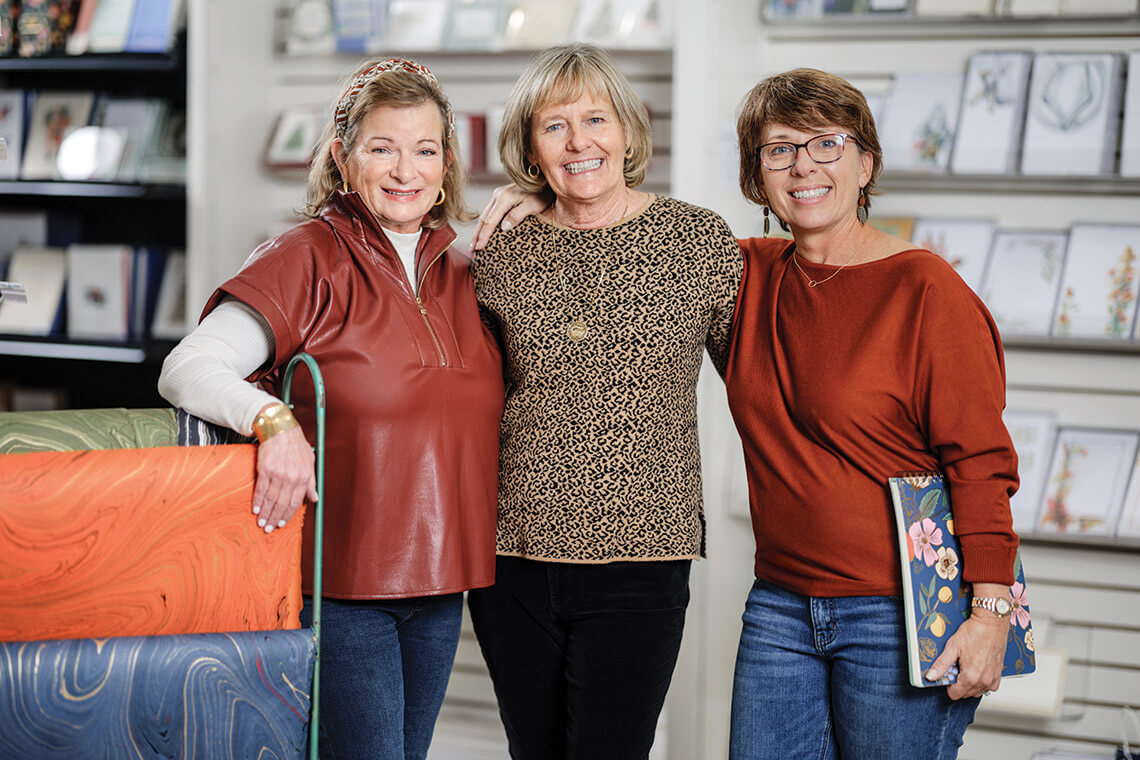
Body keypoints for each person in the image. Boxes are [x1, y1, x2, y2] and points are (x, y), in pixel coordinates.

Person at [475, 67, 1021, 760]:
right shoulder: (745, 270)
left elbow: (979, 458)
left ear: (866, 163)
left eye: (826, 144)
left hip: (900, 609)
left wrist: (991, 608)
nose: (803, 166)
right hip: (781, 606)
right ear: (757, 177)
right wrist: (540, 192)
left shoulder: (924, 287)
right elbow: (604, 246)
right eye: (779, 149)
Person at [157, 58, 504, 760]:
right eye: (382, 148)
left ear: (447, 166)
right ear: (345, 160)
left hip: (440, 584)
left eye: (425, 149)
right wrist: (274, 421)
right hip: (339, 586)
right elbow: (187, 367)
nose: (405, 170)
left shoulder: (469, 271)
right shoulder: (306, 255)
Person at [466, 43, 742, 760]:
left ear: (629, 127)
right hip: (512, 560)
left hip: (643, 556)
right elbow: (459, 399)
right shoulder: (498, 250)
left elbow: (764, 381)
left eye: (596, 118)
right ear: (530, 145)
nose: (579, 141)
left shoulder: (697, 240)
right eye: (554, 126)